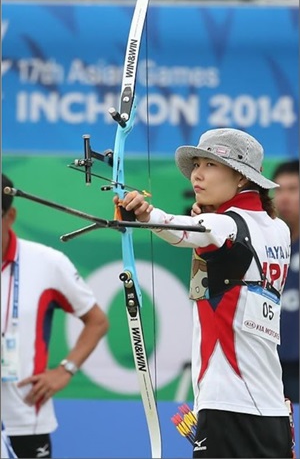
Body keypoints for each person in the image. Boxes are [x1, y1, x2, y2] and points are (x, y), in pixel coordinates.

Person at [117, 128, 294, 458]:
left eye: (210, 165)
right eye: (197, 163)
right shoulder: (279, 228)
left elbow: (196, 231)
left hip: (227, 404)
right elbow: (225, 239)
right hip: (274, 410)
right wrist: (209, 219)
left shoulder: (224, 224)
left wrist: (145, 214)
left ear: (242, 178)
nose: (197, 174)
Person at [1, 173, 109, 459]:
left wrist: (66, 370)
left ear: (10, 216)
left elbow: (97, 321)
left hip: (24, 418)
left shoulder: (47, 262)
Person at [272, 160, 299, 403]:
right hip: (266, 362)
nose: (284, 198)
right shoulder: (263, 242)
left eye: (293, 189)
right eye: (279, 190)